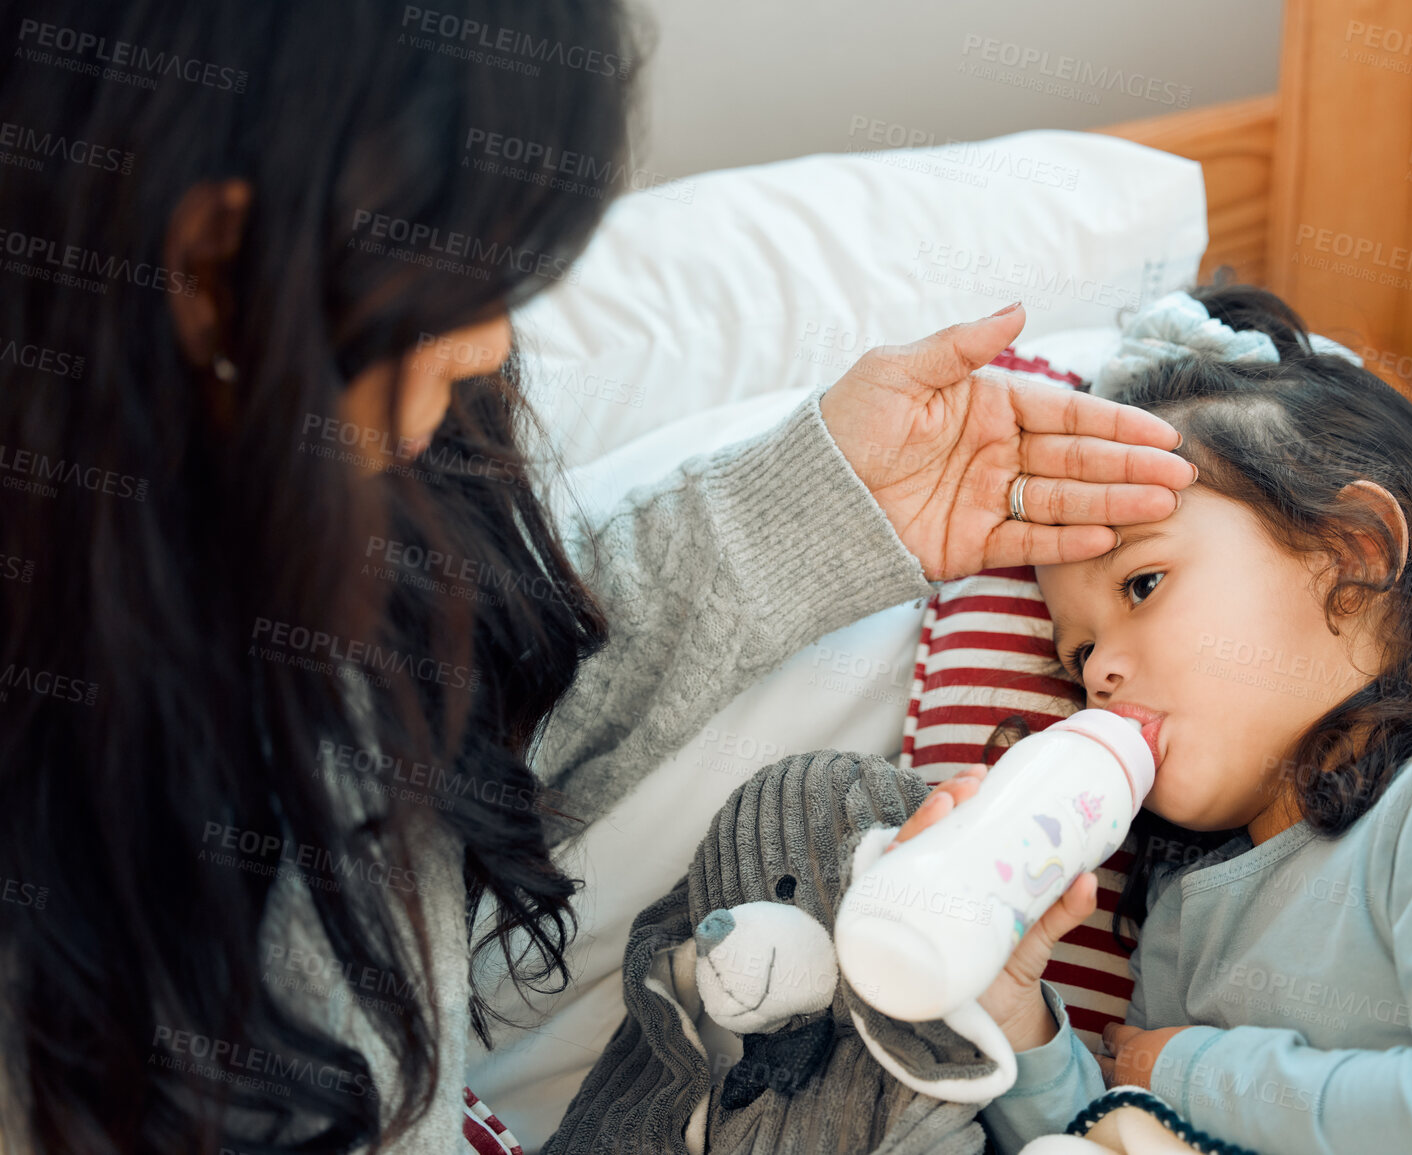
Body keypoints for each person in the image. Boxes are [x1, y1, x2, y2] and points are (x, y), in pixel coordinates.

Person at [0, 2, 1193, 1152]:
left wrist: (822, 505)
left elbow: (452, 752)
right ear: (213, 270)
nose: (489, 347)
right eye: (459, 294)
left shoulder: (326, 501)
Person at [889, 285, 1412, 1154]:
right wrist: (1014, 1020)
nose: (1097, 669)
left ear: (1354, 553)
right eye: (1075, 654)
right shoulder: (1186, 916)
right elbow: (1124, 1134)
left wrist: (1178, 1069)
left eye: (1143, 585)